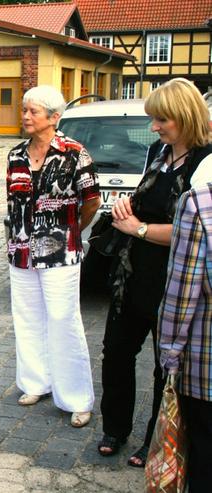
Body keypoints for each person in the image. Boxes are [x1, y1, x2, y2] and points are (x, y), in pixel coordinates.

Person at [97, 78, 212, 467]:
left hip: (173, 278)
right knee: (116, 352)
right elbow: (148, 201)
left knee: (166, 368)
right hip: (133, 273)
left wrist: (140, 229)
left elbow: (193, 229)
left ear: (184, 115)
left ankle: (156, 439)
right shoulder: (160, 152)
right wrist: (127, 209)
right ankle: (115, 427)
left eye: (161, 119)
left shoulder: (206, 161)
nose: (155, 127)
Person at [6, 85, 100, 428]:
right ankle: (35, 383)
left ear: (54, 117)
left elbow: (91, 201)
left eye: (33, 111)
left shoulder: (74, 153)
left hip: (61, 252)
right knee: (27, 318)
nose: (26, 116)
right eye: (25, 110)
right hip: (21, 252)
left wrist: (72, 232)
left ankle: (76, 398)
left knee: (63, 320)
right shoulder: (15, 155)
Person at [158, 159, 212, 492]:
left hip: (205, 370)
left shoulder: (200, 203)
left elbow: (181, 295)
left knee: (205, 459)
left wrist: (170, 358)